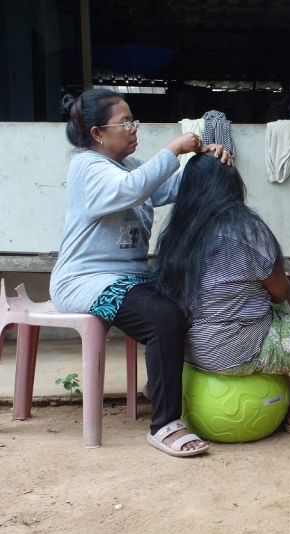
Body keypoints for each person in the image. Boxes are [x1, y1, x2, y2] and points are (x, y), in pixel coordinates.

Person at [50, 88, 232, 457]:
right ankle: (164, 425)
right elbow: (132, 190)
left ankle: (157, 386)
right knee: (162, 317)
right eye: (125, 123)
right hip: (86, 280)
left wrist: (209, 160)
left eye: (133, 121)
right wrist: (173, 149)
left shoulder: (130, 165)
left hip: (131, 277)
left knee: (192, 300)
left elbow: (167, 187)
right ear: (98, 133)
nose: (133, 128)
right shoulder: (86, 167)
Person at [153, 152, 290, 437]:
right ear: (233, 187)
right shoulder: (246, 230)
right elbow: (280, 293)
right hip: (238, 349)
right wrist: (279, 280)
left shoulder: (176, 234)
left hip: (191, 350)